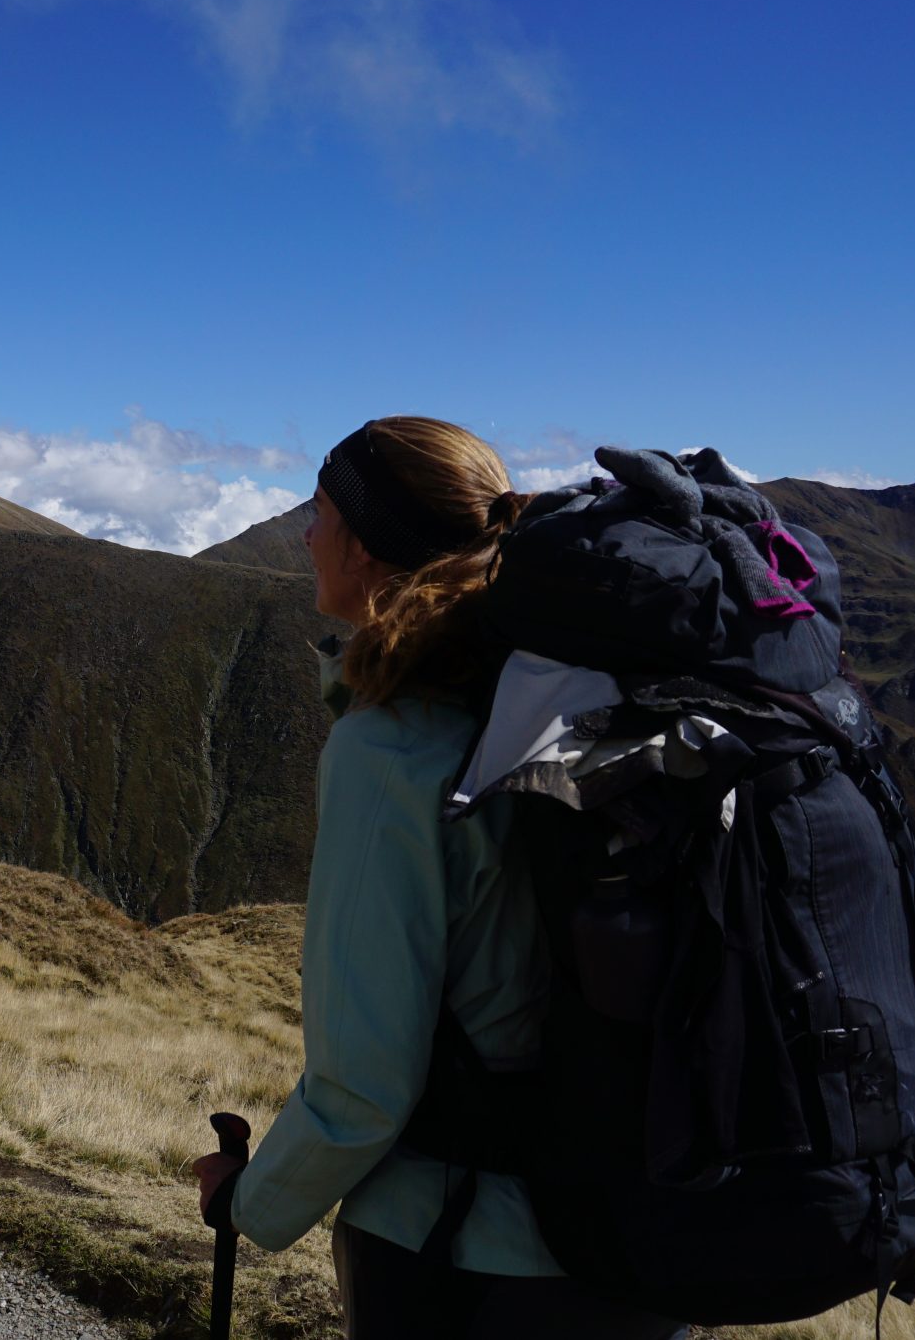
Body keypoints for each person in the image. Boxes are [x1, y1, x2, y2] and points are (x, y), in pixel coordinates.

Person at [192, 418, 685, 1340]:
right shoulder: (552, 706)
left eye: (322, 510)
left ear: (371, 546)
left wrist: (246, 1199)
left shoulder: (393, 748)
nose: (304, 533)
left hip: (467, 1253)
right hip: (636, 1243)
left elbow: (366, 1084)